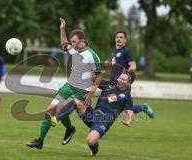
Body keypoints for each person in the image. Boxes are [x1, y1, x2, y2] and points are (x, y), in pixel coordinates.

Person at [26, 17, 102, 149]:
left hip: (82, 92)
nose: (71, 44)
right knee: (50, 110)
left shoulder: (92, 55)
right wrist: (62, 29)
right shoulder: (74, 49)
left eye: (74, 42)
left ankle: (98, 130)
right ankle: (41, 141)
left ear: (82, 41)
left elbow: (99, 76)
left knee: (83, 118)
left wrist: (90, 94)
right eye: (71, 42)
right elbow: (63, 43)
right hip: (68, 87)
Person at [49, 71, 135, 156]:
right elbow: (95, 80)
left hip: (104, 121)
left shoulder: (127, 96)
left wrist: (129, 120)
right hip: (93, 114)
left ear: (128, 83)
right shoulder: (110, 84)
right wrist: (92, 74)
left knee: (90, 141)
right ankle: (56, 119)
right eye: (120, 78)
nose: (119, 80)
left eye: (123, 79)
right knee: (76, 102)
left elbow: (129, 111)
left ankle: (95, 149)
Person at [105, 31, 154, 118]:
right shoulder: (114, 52)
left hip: (122, 83)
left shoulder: (125, 51)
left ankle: (103, 120)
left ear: (125, 40)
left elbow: (133, 66)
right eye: (117, 37)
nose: (119, 39)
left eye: (121, 37)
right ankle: (143, 108)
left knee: (114, 101)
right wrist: (108, 63)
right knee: (115, 102)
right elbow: (113, 65)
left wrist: (126, 76)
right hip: (114, 83)